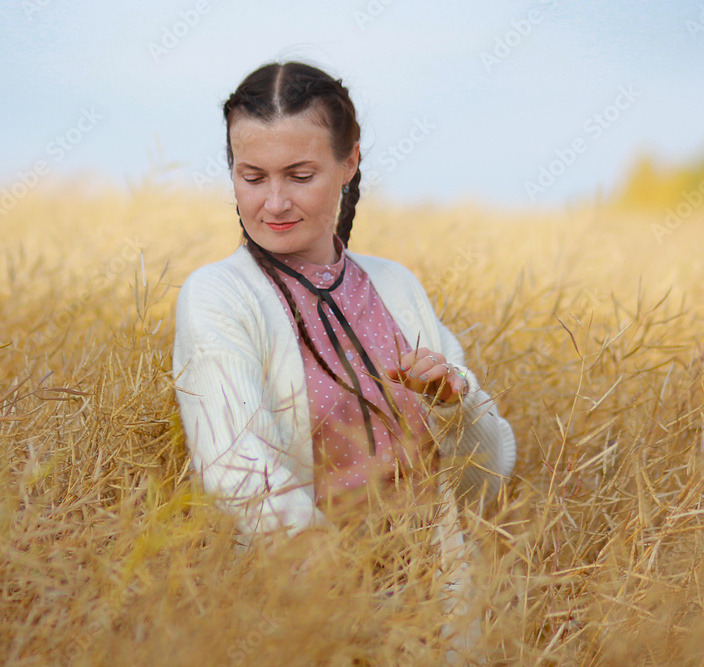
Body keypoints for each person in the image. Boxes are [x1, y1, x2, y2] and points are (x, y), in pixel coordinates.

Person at [172, 60, 517, 663]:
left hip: (437, 608)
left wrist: (455, 402)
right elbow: (233, 463)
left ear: (349, 163)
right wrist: (337, 593)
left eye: (300, 175)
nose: (273, 202)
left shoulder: (397, 286)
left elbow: (487, 474)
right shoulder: (218, 295)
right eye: (251, 176)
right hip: (303, 615)